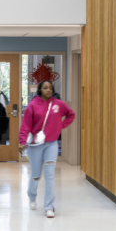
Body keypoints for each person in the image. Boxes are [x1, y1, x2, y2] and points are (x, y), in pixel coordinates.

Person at [18, 76, 75, 218]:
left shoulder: (58, 104)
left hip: (51, 144)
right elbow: (25, 125)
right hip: (36, 145)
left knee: (50, 176)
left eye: (50, 88)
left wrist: (60, 126)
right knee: (36, 175)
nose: (48, 90)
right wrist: (22, 141)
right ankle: (32, 195)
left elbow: (71, 114)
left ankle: (49, 207)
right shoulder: (32, 105)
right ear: (39, 90)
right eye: (45, 88)